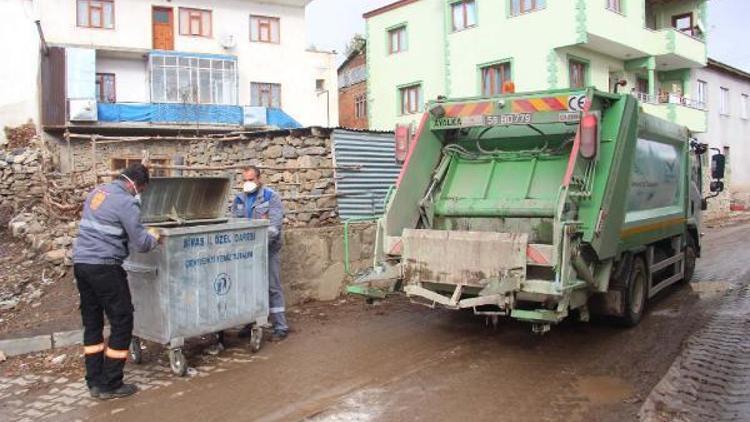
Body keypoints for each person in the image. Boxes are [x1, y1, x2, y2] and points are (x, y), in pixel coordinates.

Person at [73, 163, 159, 400]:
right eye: (140, 189)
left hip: (82, 264)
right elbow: (141, 243)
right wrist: (154, 236)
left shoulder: (98, 192)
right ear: (136, 184)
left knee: (92, 323)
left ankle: (94, 382)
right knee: (122, 320)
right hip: (105, 267)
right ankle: (112, 383)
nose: (138, 194)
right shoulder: (126, 201)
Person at [234, 165, 288, 341]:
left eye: (251, 179)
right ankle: (250, 323)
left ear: (259, 179)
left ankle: (280, 326)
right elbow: (235, 223)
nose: (248, 183)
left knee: (273, 286)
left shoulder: (270, 197)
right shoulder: (239, 199)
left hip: (268, 249)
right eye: (245, 180)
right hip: (247, 252)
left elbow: (274, 227)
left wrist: (259, 244)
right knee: (248, 287)